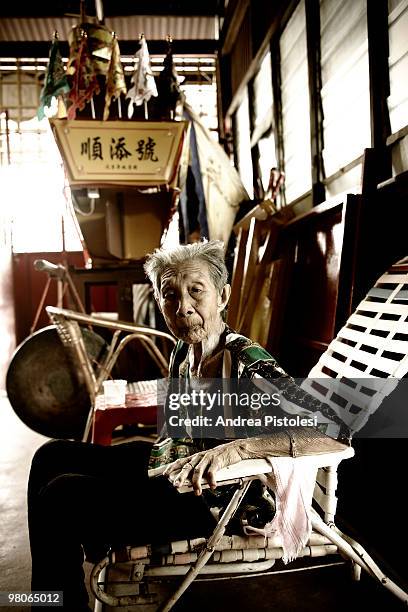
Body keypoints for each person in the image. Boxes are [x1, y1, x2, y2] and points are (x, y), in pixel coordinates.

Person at [28, 240, 348, 611]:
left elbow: (330, 431)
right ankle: (51, 595)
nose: (183, 308)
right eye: (169, 295)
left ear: (223, 296)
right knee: (50, 456)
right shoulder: (184, 350)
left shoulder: (246, 362)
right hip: (174, 472)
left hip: (215, 500)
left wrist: (236, 448)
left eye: (196, 291)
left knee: (62, 497)